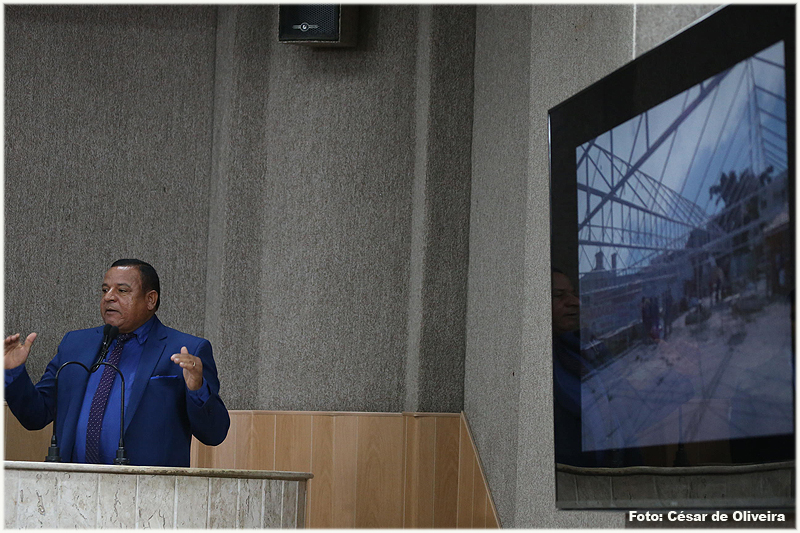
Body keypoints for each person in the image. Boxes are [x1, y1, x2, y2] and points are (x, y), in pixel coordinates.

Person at [4, 259, 230, 467]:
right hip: (72, 489)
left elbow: (214, 433)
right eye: (105, 290)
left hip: (148, 496)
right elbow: (35, 416)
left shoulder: (186, 350)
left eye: (122, 290)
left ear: (150, 299)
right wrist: (13, 372)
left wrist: (197, 389)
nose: (109, 297)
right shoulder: (75, 344)